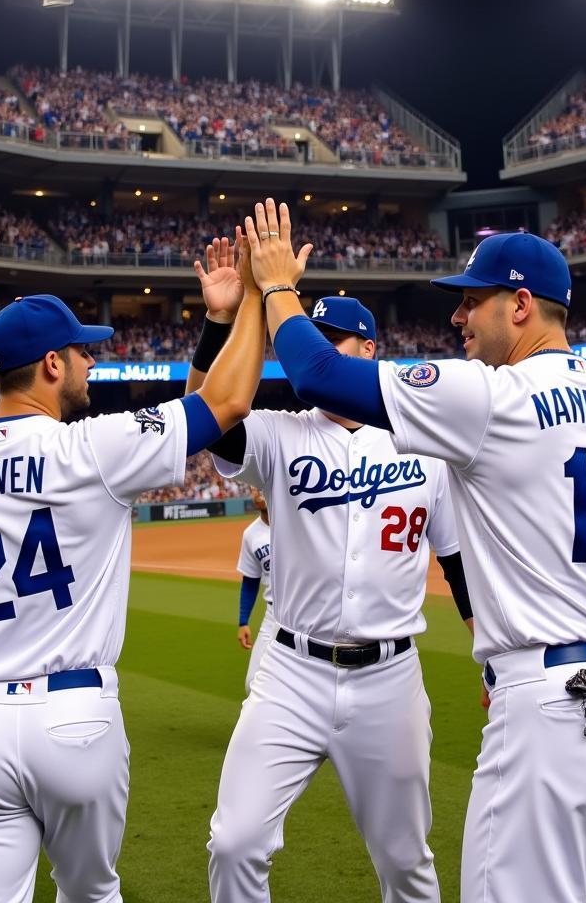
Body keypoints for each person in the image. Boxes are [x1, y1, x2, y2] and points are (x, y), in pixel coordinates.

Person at [247, 214, 586, 903]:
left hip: (559, 710)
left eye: (472, 300)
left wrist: (275, 287)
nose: (457, 315)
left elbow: (320, 375)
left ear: (521, 305)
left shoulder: (492, 397)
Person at [0, 269, 263, 903]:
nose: (90, 362)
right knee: (91, 895)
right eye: (82, 352)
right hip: (77, 717)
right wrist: (251, 305)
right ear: (51, 364)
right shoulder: (94, 447)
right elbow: (228, 403)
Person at [187, 209, 470, 903]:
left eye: (331, 341)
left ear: (369, 350)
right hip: (291, 670)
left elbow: (461, 564)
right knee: (234, 841)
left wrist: (497, 660)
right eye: (311, 339)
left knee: (406, 861)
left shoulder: (425, 441)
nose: (315, 351)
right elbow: (201, 417)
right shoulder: (281, 434)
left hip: (390, 678)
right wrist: (220, 324)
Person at [235, 488, 274, 694]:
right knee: (253, 682)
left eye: (262, 486)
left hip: (307, 612)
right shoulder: (251, 534)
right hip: (273, 615)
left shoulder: (299, 521)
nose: (258, 491)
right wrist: (243, 621)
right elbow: (250, 581)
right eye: (254, 487)